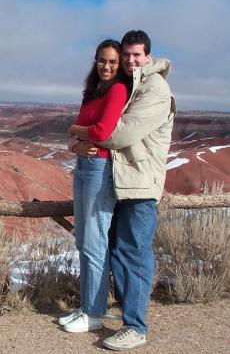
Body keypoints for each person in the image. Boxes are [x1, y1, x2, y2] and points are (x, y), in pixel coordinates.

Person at [71, 30, 175, 351]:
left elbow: (117, 134)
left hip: (141, 185)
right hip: (123, 182)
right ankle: (109, 314)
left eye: (136, 55)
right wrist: (76, 142)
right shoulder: (133, 84)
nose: (130, 60)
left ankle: (135, 326)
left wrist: (75, 132)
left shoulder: (155, 89)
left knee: (134, 255)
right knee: (117, 250)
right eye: (126, 55)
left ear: (148, 56)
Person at [57, 39, 129, 333]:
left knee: (95, 240)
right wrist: (74, 144)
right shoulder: (93, 91)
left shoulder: (118, 90)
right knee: (83, 239)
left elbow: (102, 131)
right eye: (102, 60)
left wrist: (73, 132)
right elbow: (77, 138)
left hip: (100, 168)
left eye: (112, 61)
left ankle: (95, 312)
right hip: (84, 166)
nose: (107, 66)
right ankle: (87, 306)